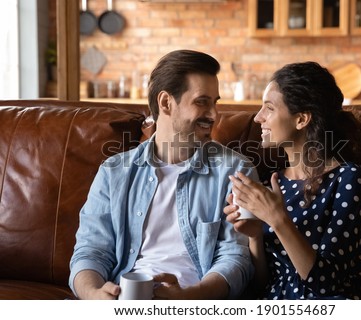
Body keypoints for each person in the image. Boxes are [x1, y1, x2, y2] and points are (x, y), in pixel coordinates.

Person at [69, 50, 258, 300]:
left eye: (215, 102)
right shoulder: (114, 172)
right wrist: (93, 295)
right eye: (202, 102)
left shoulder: (235, 171)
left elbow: (235, 258)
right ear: (166, 103)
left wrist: (190, 297)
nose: (214, 114)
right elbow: (90, 251)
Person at [225, 61, 361, 300]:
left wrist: (277, 218)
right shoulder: (273, 183)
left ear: (302, 119)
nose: (258, 118)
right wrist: (254, 234)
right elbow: (263, 284)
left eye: (269, 108)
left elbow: (326, 284)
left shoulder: (348, 180)